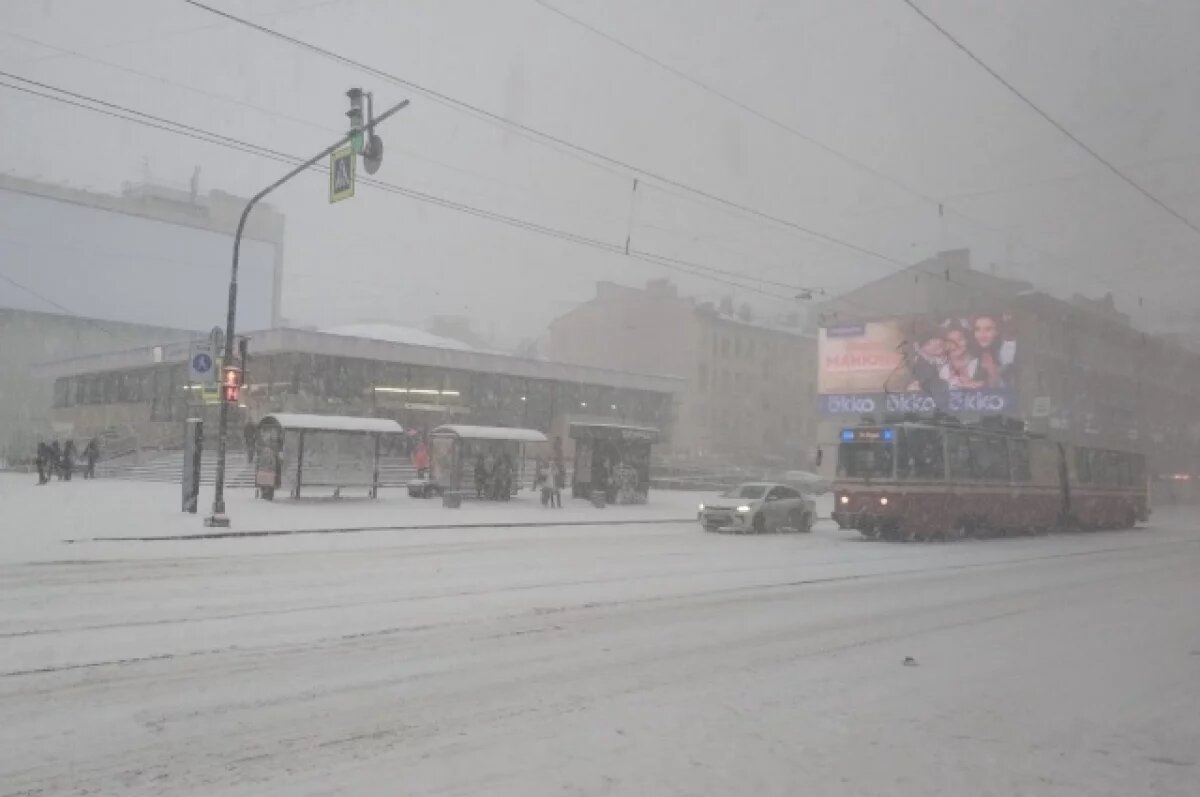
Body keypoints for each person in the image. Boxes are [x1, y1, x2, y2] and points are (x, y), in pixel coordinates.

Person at [969, 314, 1015, 388]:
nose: (982, 334)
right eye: (977, 329)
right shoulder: (970, 359)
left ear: (997, 331)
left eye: (988, 329)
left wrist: (992, 371)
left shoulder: (1007, 356)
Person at [942, 322, 983, 390]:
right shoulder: (942, 370)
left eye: (959, 339)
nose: (956, 344)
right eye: (951, 341)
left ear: (967, 340)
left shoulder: (980, 364)